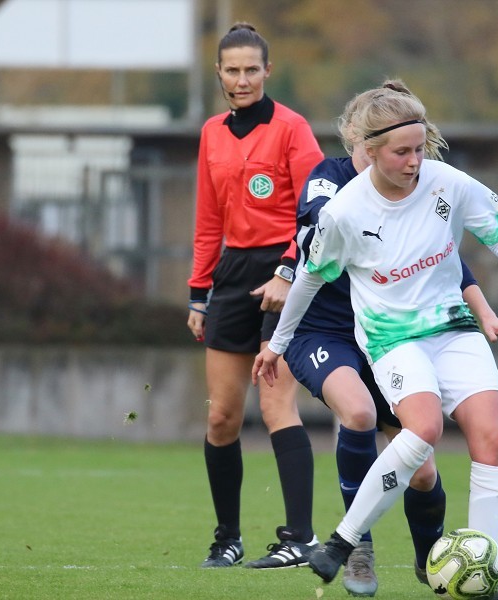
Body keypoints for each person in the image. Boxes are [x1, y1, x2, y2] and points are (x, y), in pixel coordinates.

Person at [253, 83, 498, 599]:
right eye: (402, 152)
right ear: (371, 150)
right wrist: (278, 344)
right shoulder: (345, 211)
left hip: (453, 328)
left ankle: (482, 576)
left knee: (492, 438)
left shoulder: (446, 182)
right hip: (392, 337)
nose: (415, 161)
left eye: (420, 149)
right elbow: (307, 277)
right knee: (423, 431)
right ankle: (345, 541)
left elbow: (493, 233)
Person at [187, 22, 325, 569]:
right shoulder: (211, 133)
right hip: (232, 274)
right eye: (232, 70)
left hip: (286, 273)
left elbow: (317, 213)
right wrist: (198, 294)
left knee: (274, 404)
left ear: (268, 71)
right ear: (218, 73)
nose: (241, 79)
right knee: (222, 416)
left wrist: (288, 272)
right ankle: (227, 539)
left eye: (251, 69)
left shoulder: (293, 129)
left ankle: (300, 537)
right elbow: (207, 221)